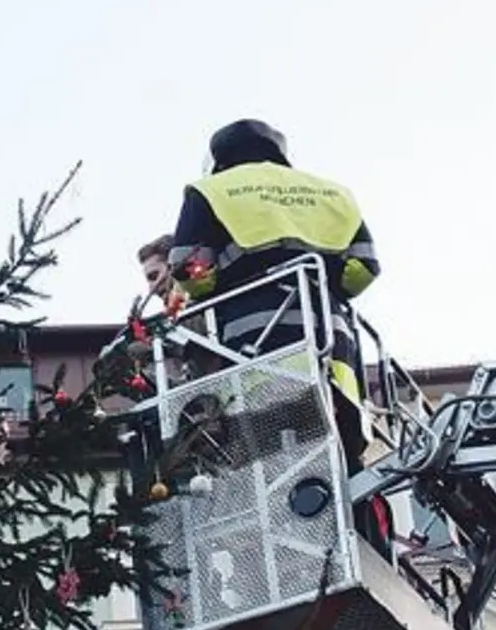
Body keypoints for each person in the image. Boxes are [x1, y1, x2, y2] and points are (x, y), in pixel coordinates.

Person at [167, 119, 391, 556]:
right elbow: (364, 267)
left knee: (267, 470)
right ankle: (369, 557)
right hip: (334, 355)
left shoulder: (211, 191)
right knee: (344, 464)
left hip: (258, 350)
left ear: (220, 157)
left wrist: (220, 284)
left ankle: (291, 567)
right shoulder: (332, 193)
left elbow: (188, 268)